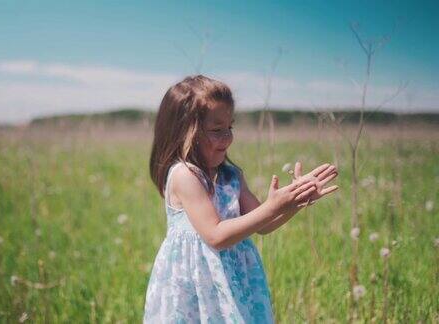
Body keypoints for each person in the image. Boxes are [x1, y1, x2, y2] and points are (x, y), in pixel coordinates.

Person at [143, 75, 339, 323]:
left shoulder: (231, 175)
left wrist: (294, 200)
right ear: (184, 132)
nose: (227, 137)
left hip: (234, 284)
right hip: (193, 288)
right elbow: (216, 235)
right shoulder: (184, 176)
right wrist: (272, 206)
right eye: (216, 130)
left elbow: (264, 224)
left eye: (230, 127)